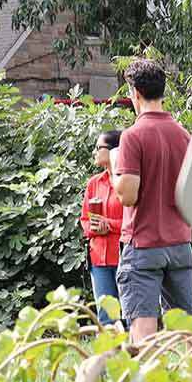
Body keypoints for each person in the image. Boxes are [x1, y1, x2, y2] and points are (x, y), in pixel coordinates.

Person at [115, 58, 192, 341]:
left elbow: (128, 195)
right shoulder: (184, 136)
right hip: (180, 245)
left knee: (144, 334)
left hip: (144, 244)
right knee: (186, 331)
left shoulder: (132, 136)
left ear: (135, 92)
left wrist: (115, 172)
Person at [80, 129, 126, 325]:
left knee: (131, 312)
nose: (95, 152)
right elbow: (84, 219)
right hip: (99, 257)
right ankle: (109, 355)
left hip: (125, 255)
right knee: (106, 317)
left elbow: (137, 220)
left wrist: (110, 225)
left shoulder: (127, 181)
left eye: (99, 147)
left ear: (114, 150)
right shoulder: (93, 183)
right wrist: (94, 227)